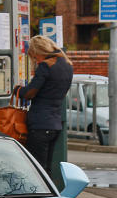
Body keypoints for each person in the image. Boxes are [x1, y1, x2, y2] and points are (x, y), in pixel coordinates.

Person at [13, 35, 73, 177]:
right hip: (54, 125)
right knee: (45, 168)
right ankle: (49, 195)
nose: (35, 60)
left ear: (39, 51)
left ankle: (41, 196)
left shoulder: (46, 66)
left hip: (40, 124)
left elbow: (30, 93)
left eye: (34, 56)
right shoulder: (67, 65)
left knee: (36, 170)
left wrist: (17, 90)